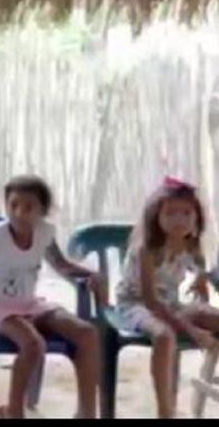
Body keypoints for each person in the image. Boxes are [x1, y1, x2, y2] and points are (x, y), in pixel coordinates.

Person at [0, 175, 104, 419]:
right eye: (13, 206)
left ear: (42, 211)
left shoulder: (44, 233)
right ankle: (14, 411)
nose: (19, 214)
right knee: (34, 344)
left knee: (87, 333)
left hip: (29, 304)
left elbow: (62, 265)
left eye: (28, 208)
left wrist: (91, 274)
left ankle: (87, 412)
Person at [113, 176, 219, 418]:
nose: (179, 220)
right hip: (137, 305)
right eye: (170, 213)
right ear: (156, 217)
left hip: (170, 304)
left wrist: (200, 279)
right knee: (164, 336)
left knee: (212, 316)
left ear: (197, 218)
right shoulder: (147, 249)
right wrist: (193, 331)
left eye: (186, 213)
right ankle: (165, 410)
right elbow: (151, 302)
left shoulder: (191, 245)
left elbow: (200, 265)